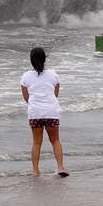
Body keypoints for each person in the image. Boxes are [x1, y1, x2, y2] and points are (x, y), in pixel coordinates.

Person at [21, 47, 69, 177]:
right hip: (51, 111)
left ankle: (35, 171)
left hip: (35, 112)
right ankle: (60, 167)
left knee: (37, 142)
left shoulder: (26, 76)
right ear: (44, 59)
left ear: (31, 61)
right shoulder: (53, 74)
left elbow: (26, 98)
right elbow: (56, 94)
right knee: (55, 140)